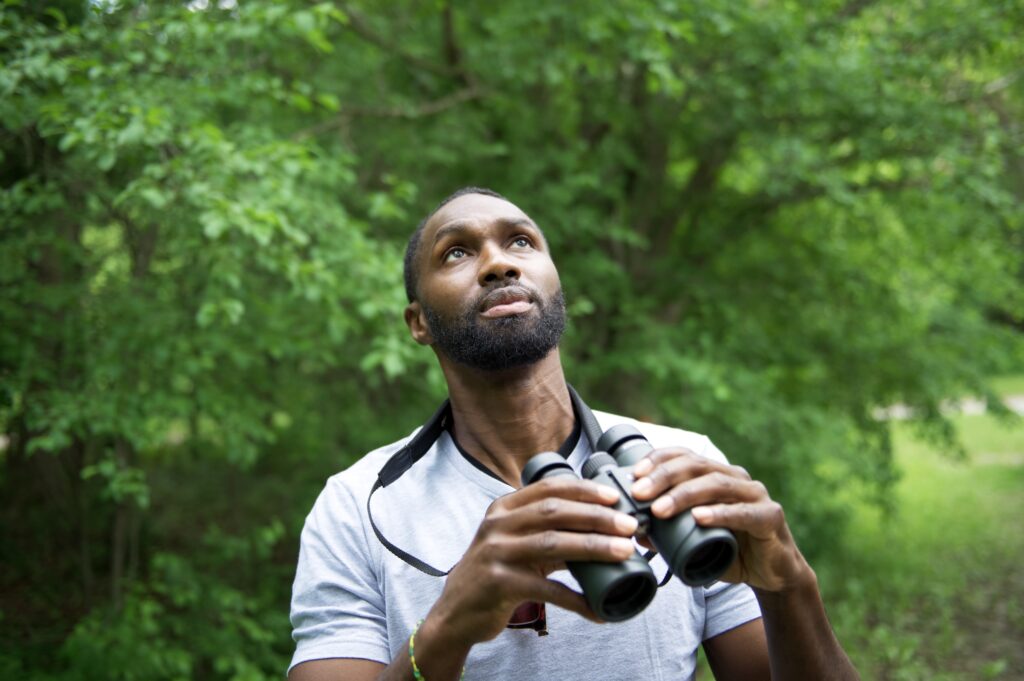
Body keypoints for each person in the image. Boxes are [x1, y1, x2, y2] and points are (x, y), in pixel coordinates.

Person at [287, 188, 859, 680]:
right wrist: (446, 627)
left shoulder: (684, 466)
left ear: (556, 284)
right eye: (457, 252)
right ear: (418, 323)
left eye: (521, 242)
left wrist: (791, 586)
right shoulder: (356, 508)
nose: (498, 264)